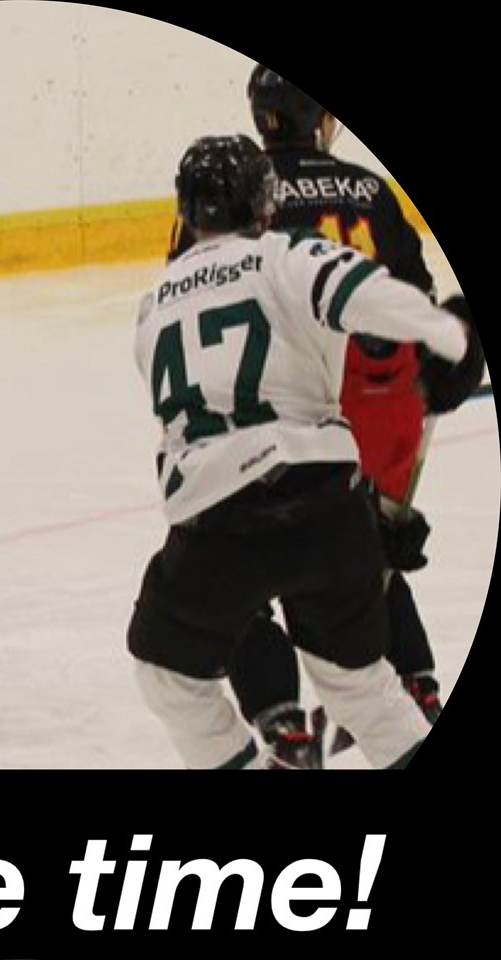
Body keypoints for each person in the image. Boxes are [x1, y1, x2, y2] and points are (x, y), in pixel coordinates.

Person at [128, 133, 484, 770]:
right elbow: (364, 294)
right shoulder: (284, 255)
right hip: (325, 511)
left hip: (218, 526)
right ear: (262, 203)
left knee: (166, 671)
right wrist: (447, 333)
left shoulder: (153, 306)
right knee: (361, 686)